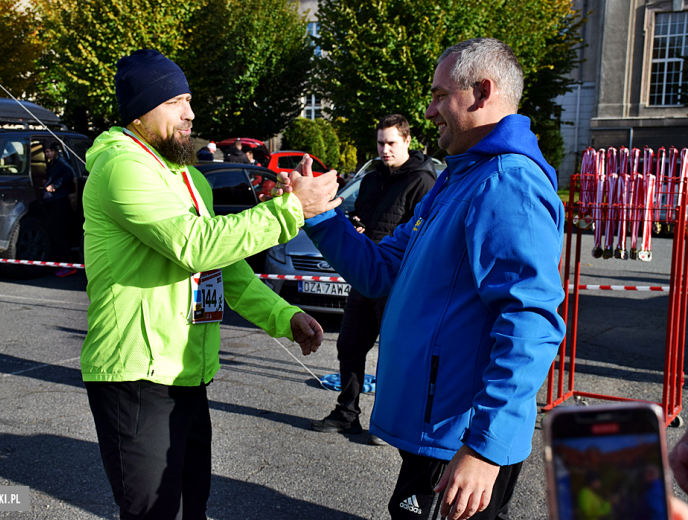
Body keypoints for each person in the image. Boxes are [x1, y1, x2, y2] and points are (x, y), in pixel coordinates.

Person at [276, 38, 566, 520]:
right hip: (438, 434)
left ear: (481, 91)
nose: (429, 111)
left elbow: (530, 321)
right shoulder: (461, 178)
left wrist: (485, 449)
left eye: (438, 95)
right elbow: (380, 270)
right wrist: (321, 216)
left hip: (459, 442)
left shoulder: (506, 182)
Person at [81, 49, 338, 520]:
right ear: (141, 110)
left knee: (191, 505)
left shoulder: (185, 175)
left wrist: (285, 315)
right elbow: (193, 246)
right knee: (155, 513)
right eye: (177, 100)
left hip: (186, 373)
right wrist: (291, 210)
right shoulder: (122, 166)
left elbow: (224, 266)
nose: (191, 113)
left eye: (190, 99)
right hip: (137, 375)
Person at [310, 114, 436, 446]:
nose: (385, 149)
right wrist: (356, 227)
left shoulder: (423, 181)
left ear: (407, 141)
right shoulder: (370, 178)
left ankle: (387, 423)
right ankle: (346, 413)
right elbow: (363, 218)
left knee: (393, 354)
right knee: (349, 346)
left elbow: (421, 236)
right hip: (366, 274)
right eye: (381, 142)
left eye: (392, 142)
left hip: (398, 282)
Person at [42, 141, 76, 277]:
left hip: (60, 201)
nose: (49, 154)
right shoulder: (52, 163)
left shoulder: (61, 162)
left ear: (56, 152)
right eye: (47, 152)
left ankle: (68, 265)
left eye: (51, 151)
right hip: (53, 200)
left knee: (59, 233)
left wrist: (55, 185)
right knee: (55, 232)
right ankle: (63, 264)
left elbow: (69, 174)